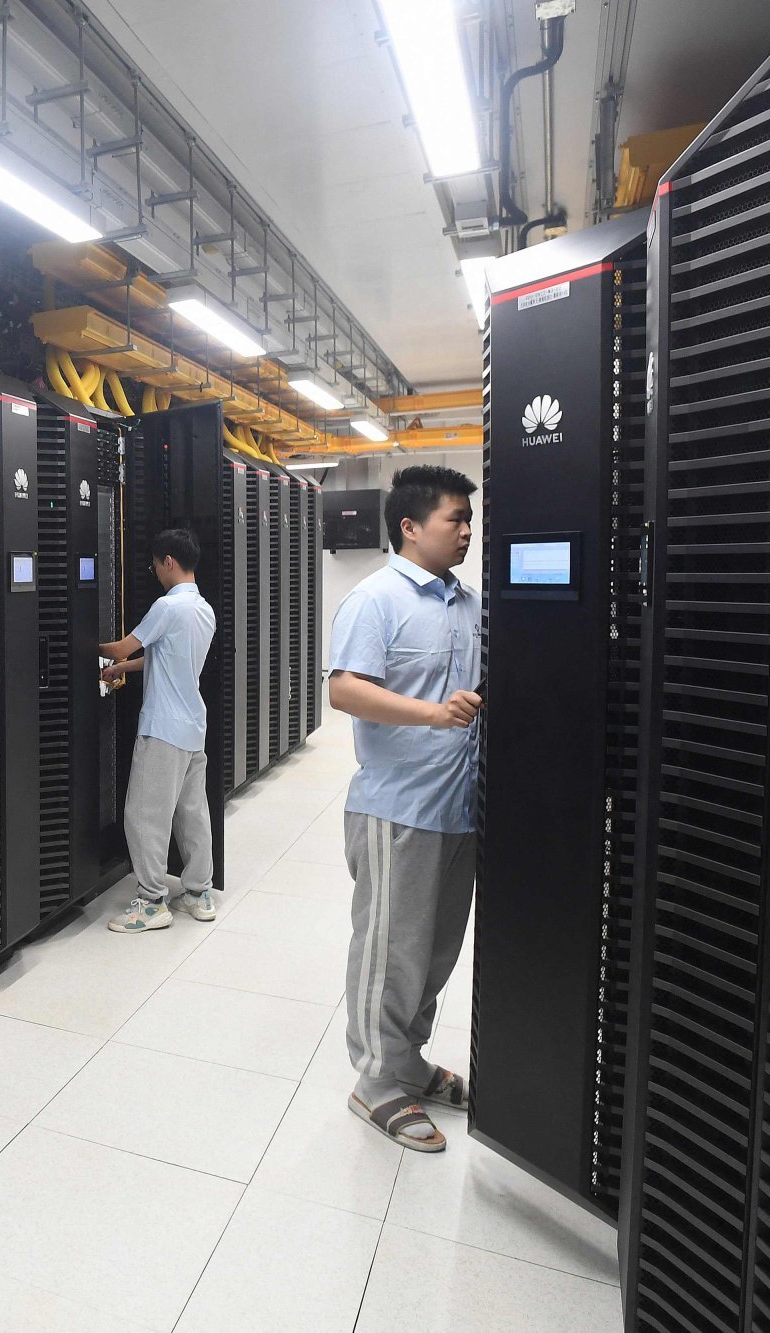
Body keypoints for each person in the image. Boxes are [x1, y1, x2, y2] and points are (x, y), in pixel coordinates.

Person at [325, 464, 482, 1152]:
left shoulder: (472, 603)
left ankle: (408, 1059)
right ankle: (375, 1081)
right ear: (411, 527)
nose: (468, 531)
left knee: (436, 950)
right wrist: (432, 714)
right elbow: (345, 691)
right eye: (456, 518)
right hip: (397, 810)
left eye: (470, 519)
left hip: (459, 809)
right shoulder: (375, 599)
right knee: (391, 950)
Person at [98, 526, 219, 933]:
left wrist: (84, 645)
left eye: (155, 565)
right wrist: (121, 670)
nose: (155, 572)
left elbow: (122, 646)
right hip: (192, 727)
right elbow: (161, 658)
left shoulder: (167, 607)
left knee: (145, 816)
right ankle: (199, 892)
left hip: (163, 729)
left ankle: (152, 902)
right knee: (192, 814)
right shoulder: (203, 610)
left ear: (169, 562)